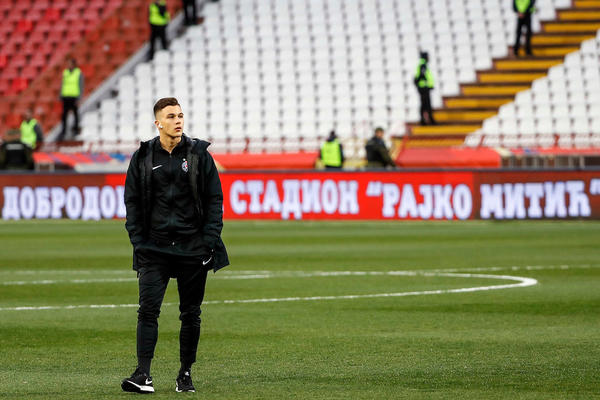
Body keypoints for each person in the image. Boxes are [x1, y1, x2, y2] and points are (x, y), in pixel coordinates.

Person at [121, 97, 229, 394]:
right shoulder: (143, 156)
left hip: (192, 248)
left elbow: (215, 200)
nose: (178, 120)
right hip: (154, 249)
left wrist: (208, 241)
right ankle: (143, 374)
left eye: (180, 115)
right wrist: (138, 241)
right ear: (158, 123)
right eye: (171, 116)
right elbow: (131, 201)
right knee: (147, 310)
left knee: (190, 313)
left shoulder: (198, 155)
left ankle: (185, 373)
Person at [58, 58, 84, 141]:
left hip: (74, 96)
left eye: (70, 63)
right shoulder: (65, 72)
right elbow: (63, 84)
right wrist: (61, 95)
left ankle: (76, 130)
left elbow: (81, 85)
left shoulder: (78, 73)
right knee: (64, 115)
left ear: (74, 64)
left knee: (75, 114)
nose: (68, 65)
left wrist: (79, 97)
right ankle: (63, 131)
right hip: (66, 96)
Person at [414, 51, 436, 126]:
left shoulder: (422, 65)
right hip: (424, 88)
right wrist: (427, 84)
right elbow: (421, 75)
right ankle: (428, 120)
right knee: (426, 105)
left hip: (423, 87)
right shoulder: (423, 65)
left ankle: (425, 120)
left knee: (424, 104)